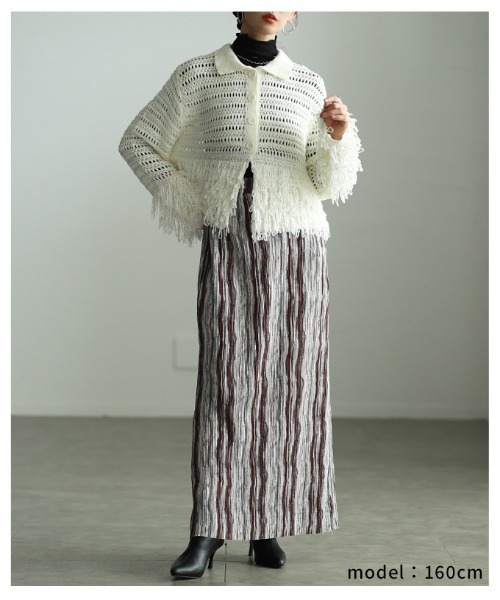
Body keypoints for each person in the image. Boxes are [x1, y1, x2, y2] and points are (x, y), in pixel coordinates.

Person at [118, 11, 363, 580]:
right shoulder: (198, 75)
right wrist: (193, 200)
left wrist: (335, 135)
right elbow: (138, 141)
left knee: (291, 384)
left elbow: (326, 182)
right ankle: (209, 526)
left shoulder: (306, 83)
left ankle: (265, 523)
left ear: (295, 14)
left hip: (298, 246)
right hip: (230, 237)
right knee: (227, 380)